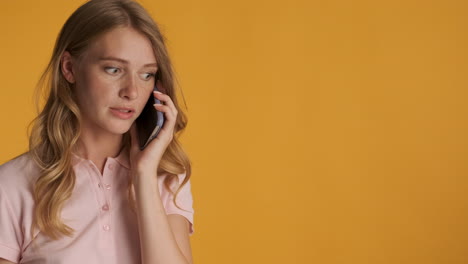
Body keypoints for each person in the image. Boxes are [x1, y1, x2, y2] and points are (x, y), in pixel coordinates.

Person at [0, 0, 195, 263]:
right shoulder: (11, 185)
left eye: (146, 75)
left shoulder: (167, 176)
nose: (132, 92)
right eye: (114, 70)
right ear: (69, 68)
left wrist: (144, 175)